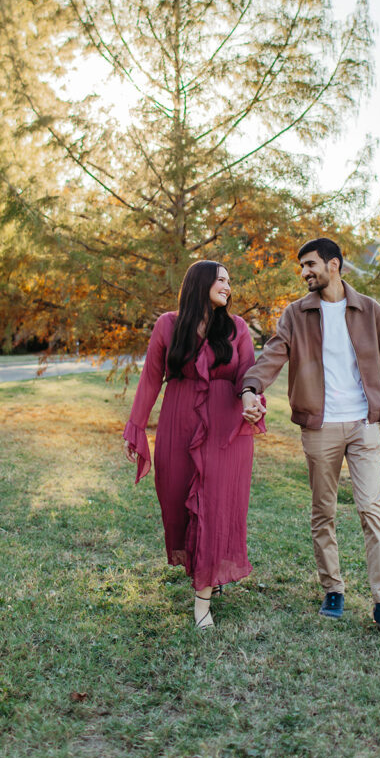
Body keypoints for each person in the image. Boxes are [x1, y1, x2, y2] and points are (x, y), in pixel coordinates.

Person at [240, 238, 380, 634]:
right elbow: (273, 353)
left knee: (371, 510)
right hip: (320, 427)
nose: (304, 273)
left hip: (365, 424)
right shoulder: (296, 314)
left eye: (311, 264)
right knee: (323, 511)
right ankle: (333, 589)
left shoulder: (370, 311)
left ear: (334, 265)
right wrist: (250, 387)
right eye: (302, 267)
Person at [123, 261, 265, 629]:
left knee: (215, 506)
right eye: (220, 279)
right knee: (176, 500)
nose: (228, 286)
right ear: (200, 282)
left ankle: (202, 602)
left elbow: (249, 373)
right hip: (178, 423)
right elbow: (151, 379)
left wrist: (252, 401)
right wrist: (136, 426)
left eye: (230, 281)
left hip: (224, 429)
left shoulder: (236, 328)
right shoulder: (168, 325)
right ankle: (206, 569)